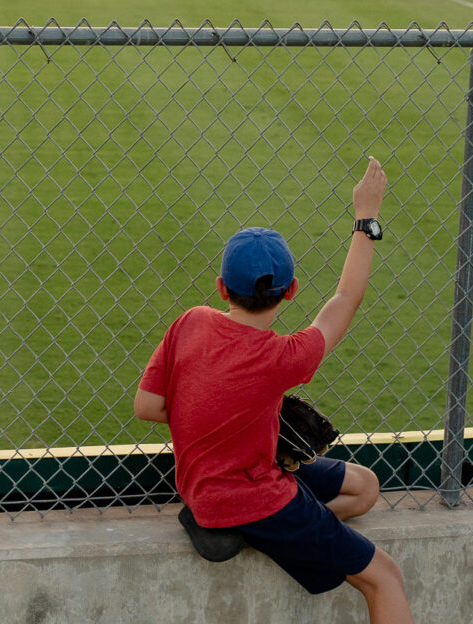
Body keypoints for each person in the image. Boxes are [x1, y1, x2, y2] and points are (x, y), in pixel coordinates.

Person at [133, 158, 409, 624]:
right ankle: (261, 529)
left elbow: (147, 406)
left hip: (202, 484)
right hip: (256, 495)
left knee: (365, 488)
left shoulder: (191, 321)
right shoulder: (284, 357)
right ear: (292, 291)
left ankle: (251, 533)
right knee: (384, 577)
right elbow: (346, 298)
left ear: (221, 288)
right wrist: (366, 215)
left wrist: (219, 414)